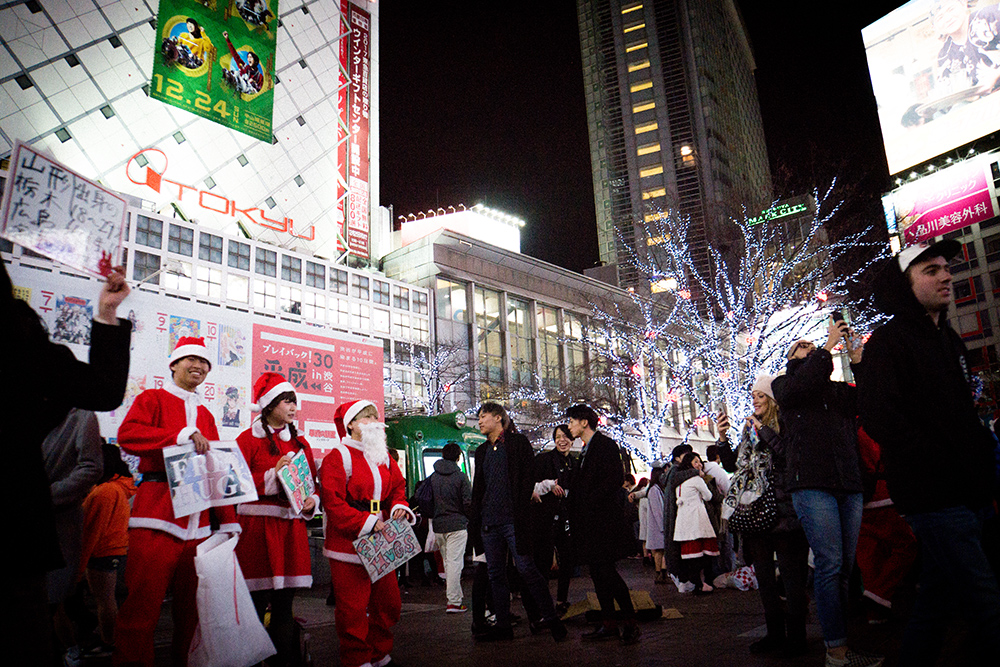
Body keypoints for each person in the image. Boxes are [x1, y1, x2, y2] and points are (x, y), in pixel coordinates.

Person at [859, 239, 1000, 664]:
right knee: (987, 602)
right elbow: (879, 416)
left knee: (935, 600)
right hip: (934, 496)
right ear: (906, 284)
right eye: (931, 271)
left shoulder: (951, 342)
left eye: (945, 268)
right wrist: (935, 459)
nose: (946, 276)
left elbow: (963, 415)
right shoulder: (887, 344)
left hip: (969, 492)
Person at [1, 262, 131, 666]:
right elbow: (104, 389)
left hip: (21, 527)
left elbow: (101, 394)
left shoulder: (19, 350)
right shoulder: (22, 346)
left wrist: (107, 314)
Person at [114, 336, 242, 667]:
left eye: (204, 363)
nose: (198, 366)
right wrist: (179, 437)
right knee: (141, 608)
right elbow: (128, 436)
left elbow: (216, 469)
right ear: (174, 364)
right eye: (191, 360)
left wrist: (228, 521)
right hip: (157, 518)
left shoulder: (206, 414)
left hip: (198, 527)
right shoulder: (152, 399)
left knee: (193, 613)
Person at [772, 319, 879, 667]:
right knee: (830, 564)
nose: (809, 348)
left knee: (845, 568)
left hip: (848, 484)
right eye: (800, 347)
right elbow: (800, 386)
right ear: (791, 359)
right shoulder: (785, 385)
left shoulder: (836, 391)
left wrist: (858, 360)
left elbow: (867, 399)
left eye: (811, 345)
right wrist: (826, 348)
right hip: (812, 485)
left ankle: (845, 642)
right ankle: (835, 649)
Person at [320, 400, 415, 667]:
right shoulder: (338, 456)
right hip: (347, 544)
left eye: (376, 416)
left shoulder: (382, 456)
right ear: (350, 424)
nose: (375, 421)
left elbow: (398, 488)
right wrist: (365, 522)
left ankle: (379, 653)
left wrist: (399, 506)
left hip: (381, 537)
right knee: (352, 608)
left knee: (388, 603)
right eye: (366, 417)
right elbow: (333, 501)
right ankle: (357, 658)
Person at [721, 375, 810, 657]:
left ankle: (797, 637)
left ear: (772, 400)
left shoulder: (785, 423)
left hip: (784, 513)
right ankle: (774, 633)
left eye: (760, 395)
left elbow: (788, 455)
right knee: (765, 580)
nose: (755, 400)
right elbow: (733, 465)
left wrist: (764, 430)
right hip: (756, 513)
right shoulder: (749, 430)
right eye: (753, 396)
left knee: (791, 578)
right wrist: (723, 439)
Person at [235, 372, 320, 666]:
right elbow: (235, 485)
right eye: (287, 400)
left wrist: (311, 501)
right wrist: (274, 474)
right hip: (256, 531)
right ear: (269, 405)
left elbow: (312, 487)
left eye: (294, 401)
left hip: (289, 531)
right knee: (255, 607)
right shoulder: (246, 440)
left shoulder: (302, 444)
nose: (293, 406)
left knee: (285, 607)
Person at [468, 402, 567, 642]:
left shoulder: (517, 443)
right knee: (495, 575)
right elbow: (479, 488)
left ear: (499, 418)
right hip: (489, 523)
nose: (480, 421)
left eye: (484, 416)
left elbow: (527, 476)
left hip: (513, 520)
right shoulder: (481, 451)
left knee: (527, 569)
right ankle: (503, 626)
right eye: (478, 417)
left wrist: (525, 500)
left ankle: (552, 621)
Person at [565, 404, 640, 644]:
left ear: (584, 422)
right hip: (590, 525)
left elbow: (612, 481)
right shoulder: (586, 449)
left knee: (607, 573)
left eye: (571, 421)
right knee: (598, 575)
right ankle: (608, 623)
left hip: (603, 524)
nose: (569, 426)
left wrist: (587, 502)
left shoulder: (604, 446)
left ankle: (629, 622)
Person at [43, 409, 105, 658]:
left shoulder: (79, 415)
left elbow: (91, 467)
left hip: (57, 522)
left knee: (46, 607)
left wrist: (42, 496)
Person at [77, 443, 135, 659]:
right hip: (114, 551)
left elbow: (92, 532)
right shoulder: (117, 487)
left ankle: (109, 642)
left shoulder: (105, 491)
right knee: (108, 601)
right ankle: (110, 640)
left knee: (105, 601)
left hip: (103, 553)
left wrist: (79, 568)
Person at [530, 424, 577, 614]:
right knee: (542, 562)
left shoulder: (575, 463)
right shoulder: (544, 459)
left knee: (567, 561)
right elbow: (530, 483)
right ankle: (543, 603)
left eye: (566, 437)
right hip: (545, 518)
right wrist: (547, 486)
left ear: (573, 440)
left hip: (566, 519)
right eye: (558, 437)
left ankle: (561, 600)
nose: (562, 441)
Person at [430, 442, 473, 613]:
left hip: (439, 525)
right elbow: (468, 502)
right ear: (458, 457)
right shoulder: (461, 477)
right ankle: (454, 602)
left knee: (448, 563)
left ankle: (454, 597)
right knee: (455, 563)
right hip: (457, 525)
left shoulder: (434, 477)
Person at [673, 452, 719, 595]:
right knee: (705, 554)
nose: (700, 464)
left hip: (683, 522)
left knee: (691, 556)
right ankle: (704, 583)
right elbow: (709, 496)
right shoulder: (696, 479)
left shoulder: (678, 483)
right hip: (698, 521)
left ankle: (696, 583)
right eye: (696, 462)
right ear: (689, 465)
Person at [644, 465, 667, 584]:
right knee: (659, 551)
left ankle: (662, 573)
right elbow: (657, 510)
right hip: (658, 527)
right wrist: (663, 526)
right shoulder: (654, 490)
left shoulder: (656, 489)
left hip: (658, 526)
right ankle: (660, 573)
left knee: (661, 550)